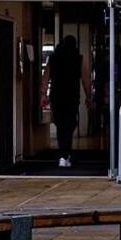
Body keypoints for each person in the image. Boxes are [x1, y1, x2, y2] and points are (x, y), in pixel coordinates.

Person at [48, 36, 84, 169]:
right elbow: (85, 78)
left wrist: (42, 94)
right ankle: (65, 154)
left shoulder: (53, 58)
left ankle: (63, 155)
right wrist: (89, 97)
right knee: (69, 125)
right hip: (72, 96)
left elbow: (46, 76)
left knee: (60, 125)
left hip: (56, 96)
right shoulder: (78, 58)